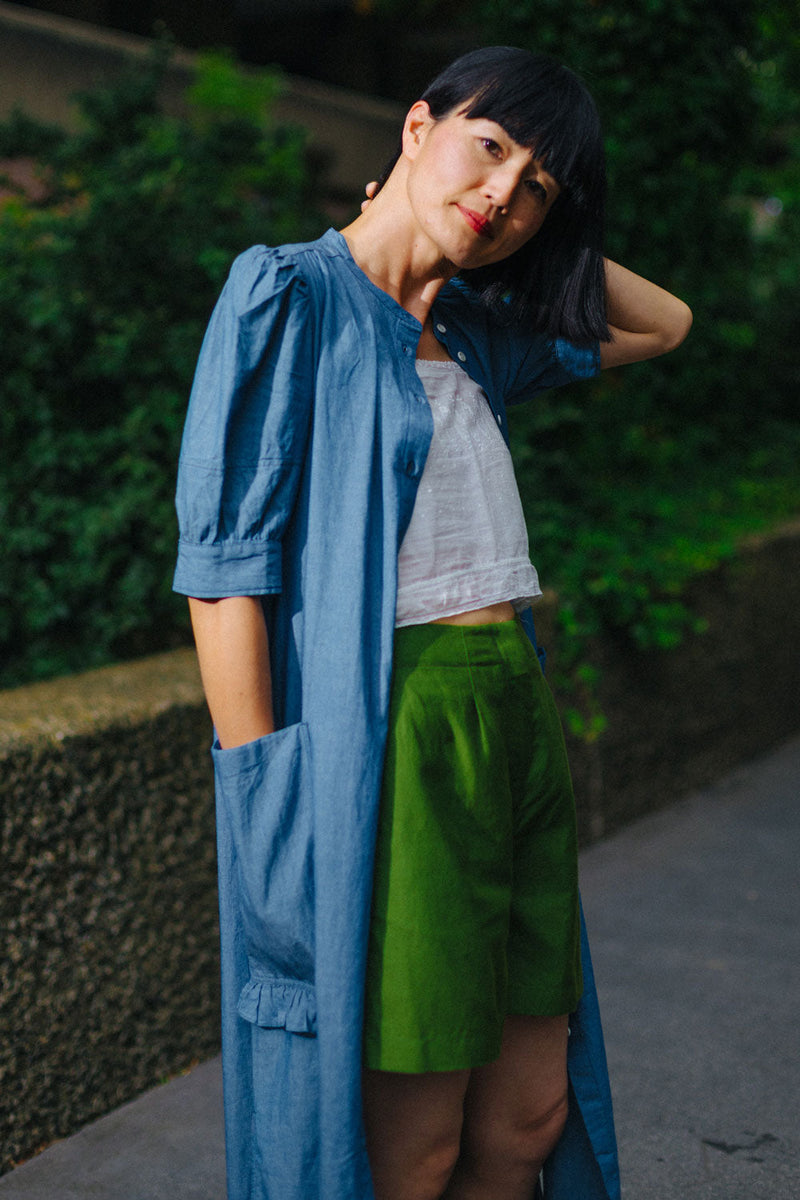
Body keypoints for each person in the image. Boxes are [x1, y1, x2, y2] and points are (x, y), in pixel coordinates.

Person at [173, 46, 691, 1200]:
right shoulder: (288, 296)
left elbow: (665, 323)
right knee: (412, 1145)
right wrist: (267, 804)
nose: (503, 191)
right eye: (489, 145)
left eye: (539, 186)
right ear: (417, 124)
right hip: (389, 734)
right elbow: (223, 575)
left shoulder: (474, 331)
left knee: (528, 1113)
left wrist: (516, 235)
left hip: (510, 714)